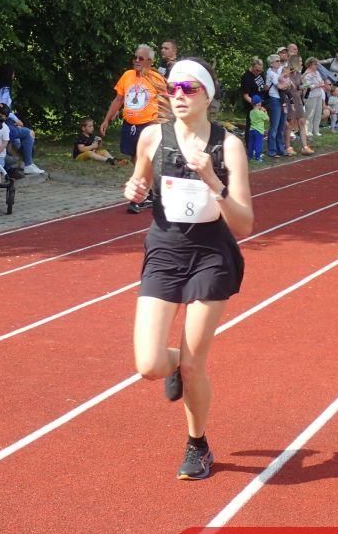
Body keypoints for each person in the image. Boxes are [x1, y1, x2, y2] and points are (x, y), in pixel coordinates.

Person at [123, 58, 253, 481]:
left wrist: (213, 180)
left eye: (188, 88)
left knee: (197, 367)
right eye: (173, 88)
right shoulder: (152, 137)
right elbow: (140, 184)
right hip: (164, 252)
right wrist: (134, 190)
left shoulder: (227, 146)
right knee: (148, 365)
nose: (178, 95)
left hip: (210, 255)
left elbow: (244, 224)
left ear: (207, 96)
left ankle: (198, 445)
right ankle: (178, 361)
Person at [100, 44, 166, 212]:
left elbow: (167, 101)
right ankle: (150, 191)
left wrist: (163, 123)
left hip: (149, 124)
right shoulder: (127, 75)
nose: (136, 60)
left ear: (149, 61)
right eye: (135, 57)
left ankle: (140, 196)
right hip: (130, 124)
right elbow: (118, 99)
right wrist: (107, 119)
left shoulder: (156, 79)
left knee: (142, 159)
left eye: (140, 58)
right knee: (134, 157)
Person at [0, 64, 45, 175]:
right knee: (29, 133)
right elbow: (2, 108)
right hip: (3, 125)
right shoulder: (4, 90)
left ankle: (21, 163)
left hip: (0, 123)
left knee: (18, 141)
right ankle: (28, 164)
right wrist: (16, 119)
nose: (14, 76)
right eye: (13, 73)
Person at [264, 54, 287, 158]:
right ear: (271, 63)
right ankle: (272, 150)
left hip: (282, 99)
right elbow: (280, 86)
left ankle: (280, 149)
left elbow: (288, 84)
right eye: (277, 61)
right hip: (274, 99)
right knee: (274, 126)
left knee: (281, 126)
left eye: (279, 60)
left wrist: (286, 84)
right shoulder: (271, 73)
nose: (279, 62)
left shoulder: (279, 71)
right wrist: (286, 84)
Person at [302, 56, 328, 140]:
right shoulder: (306, 74)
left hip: (319, 94)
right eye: (315, 64)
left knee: (318, 112)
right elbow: (308, 86)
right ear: (310, 64)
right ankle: (308, 130)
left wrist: (320, 84)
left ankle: (316, 130)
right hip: (311, 95)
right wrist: (318, 85)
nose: (317, 66)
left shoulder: (317, 72)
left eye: (317, 64)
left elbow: (321, 81)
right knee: (310, 113)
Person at [246, 95, 269, 161]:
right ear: (258, 104)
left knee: (251, 143)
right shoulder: (260, 113)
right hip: (259, 131)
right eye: (260, 102)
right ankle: (258, 157)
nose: (261, 103)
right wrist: (265, 111)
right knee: (258, 144)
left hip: (251, 130)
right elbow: (267, 119)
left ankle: (250, 156)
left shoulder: (251, 112)